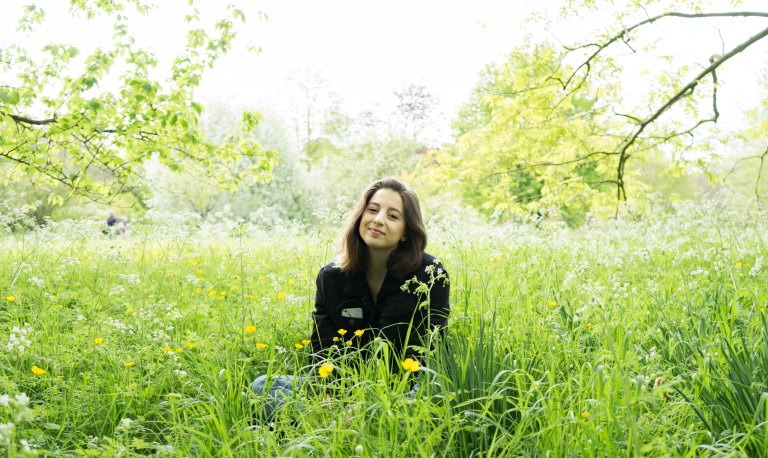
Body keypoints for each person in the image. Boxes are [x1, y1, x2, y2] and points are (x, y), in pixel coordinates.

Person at [252, 177, 450, 422]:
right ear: (360, 217)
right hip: (342, 388)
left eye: (393, 216)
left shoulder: (430, 275)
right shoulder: (331, 276)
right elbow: (322, 349)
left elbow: (434, 353)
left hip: (400, 391)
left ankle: (328, 426)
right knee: (265, 385)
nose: (378, 219)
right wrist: (328, 394)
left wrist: (376, 403)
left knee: (426, 397)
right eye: (373, 210)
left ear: (405, 232)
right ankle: (336, 423)